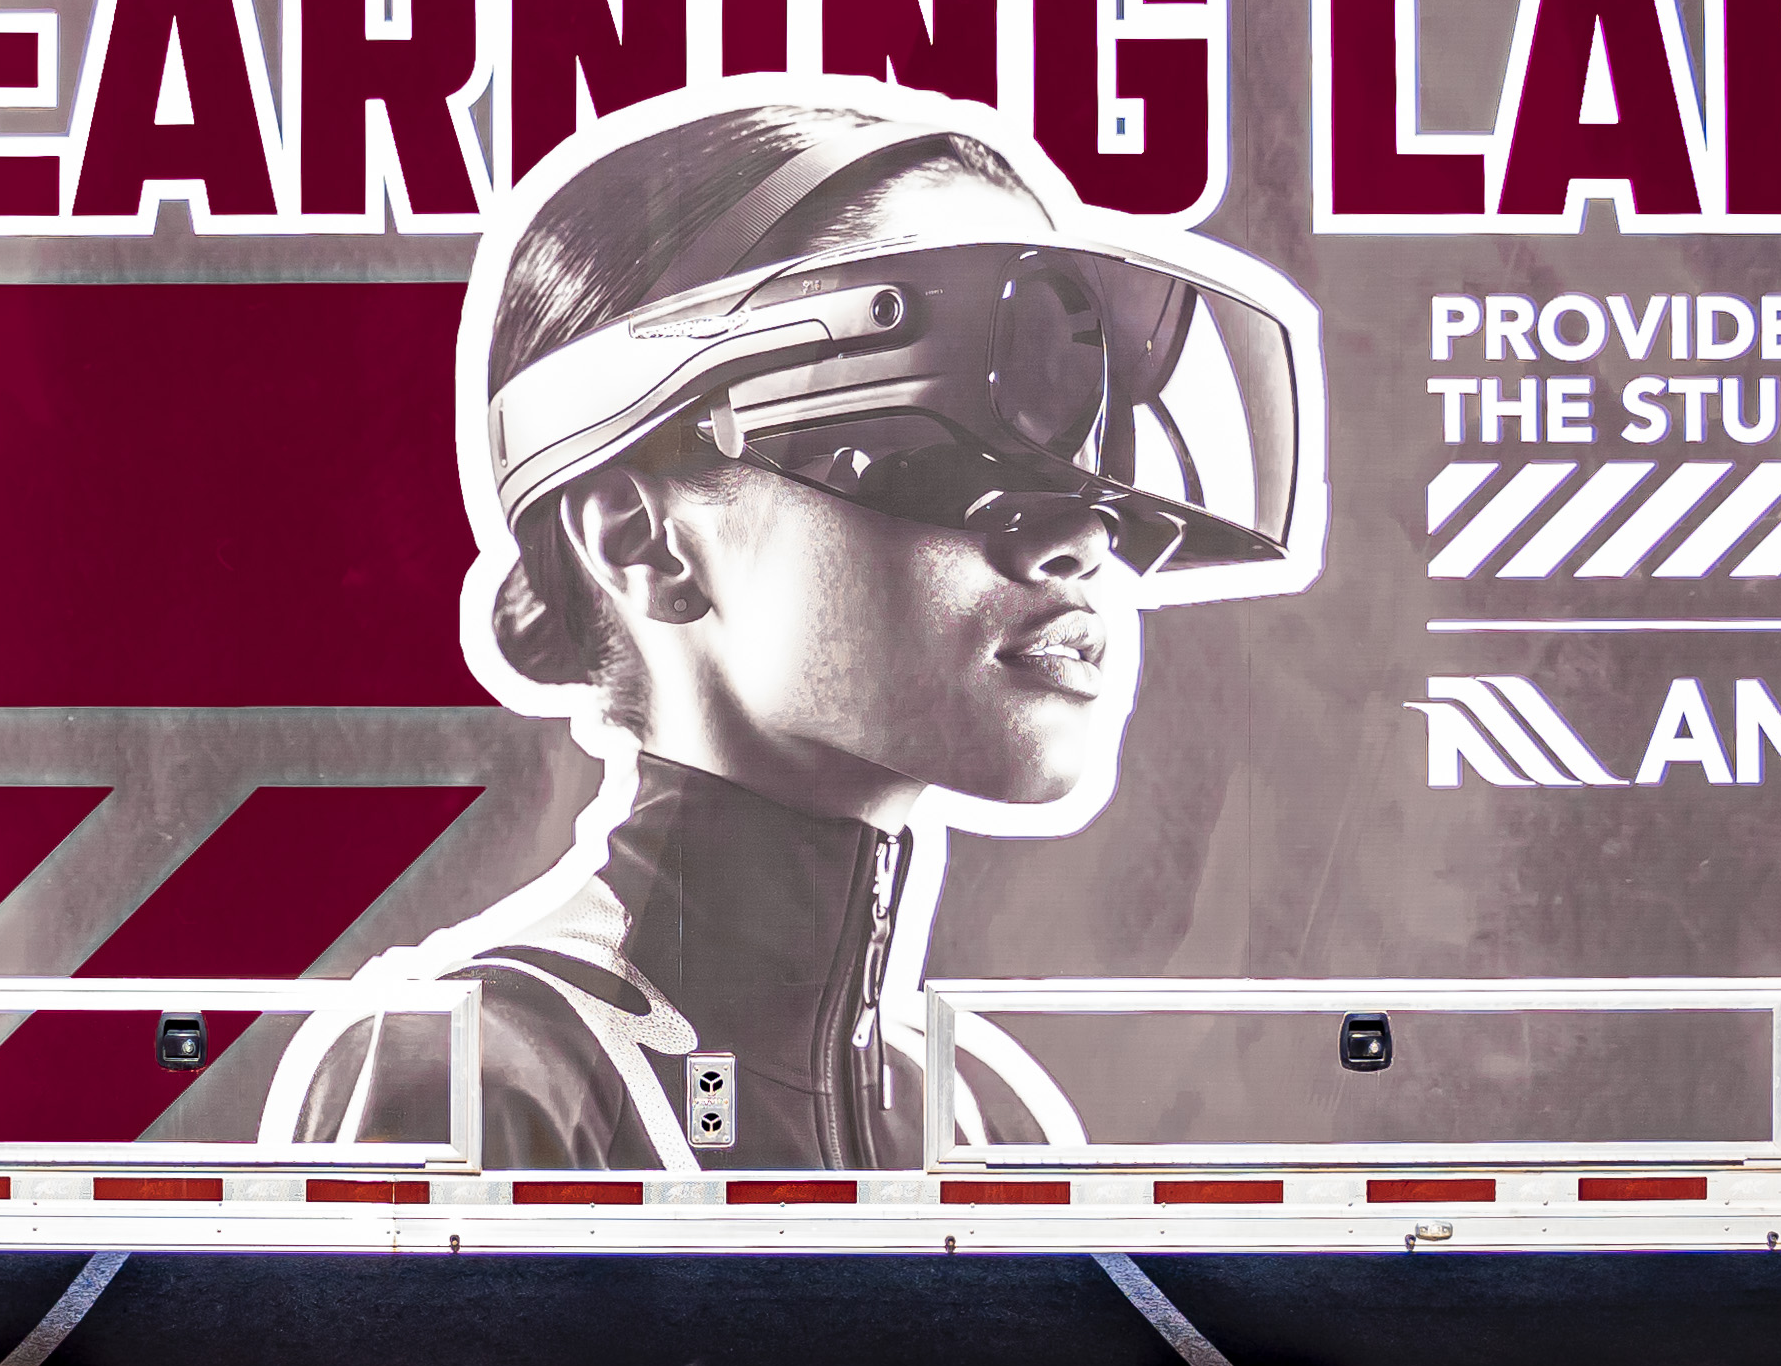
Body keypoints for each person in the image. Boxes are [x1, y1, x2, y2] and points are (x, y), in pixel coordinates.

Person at [286, 78, 1320, 1170]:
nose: (1080, 540)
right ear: (645, 542)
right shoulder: (477, 1071)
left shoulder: (965, 1111)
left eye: (1095, 467)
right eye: (944, 450)